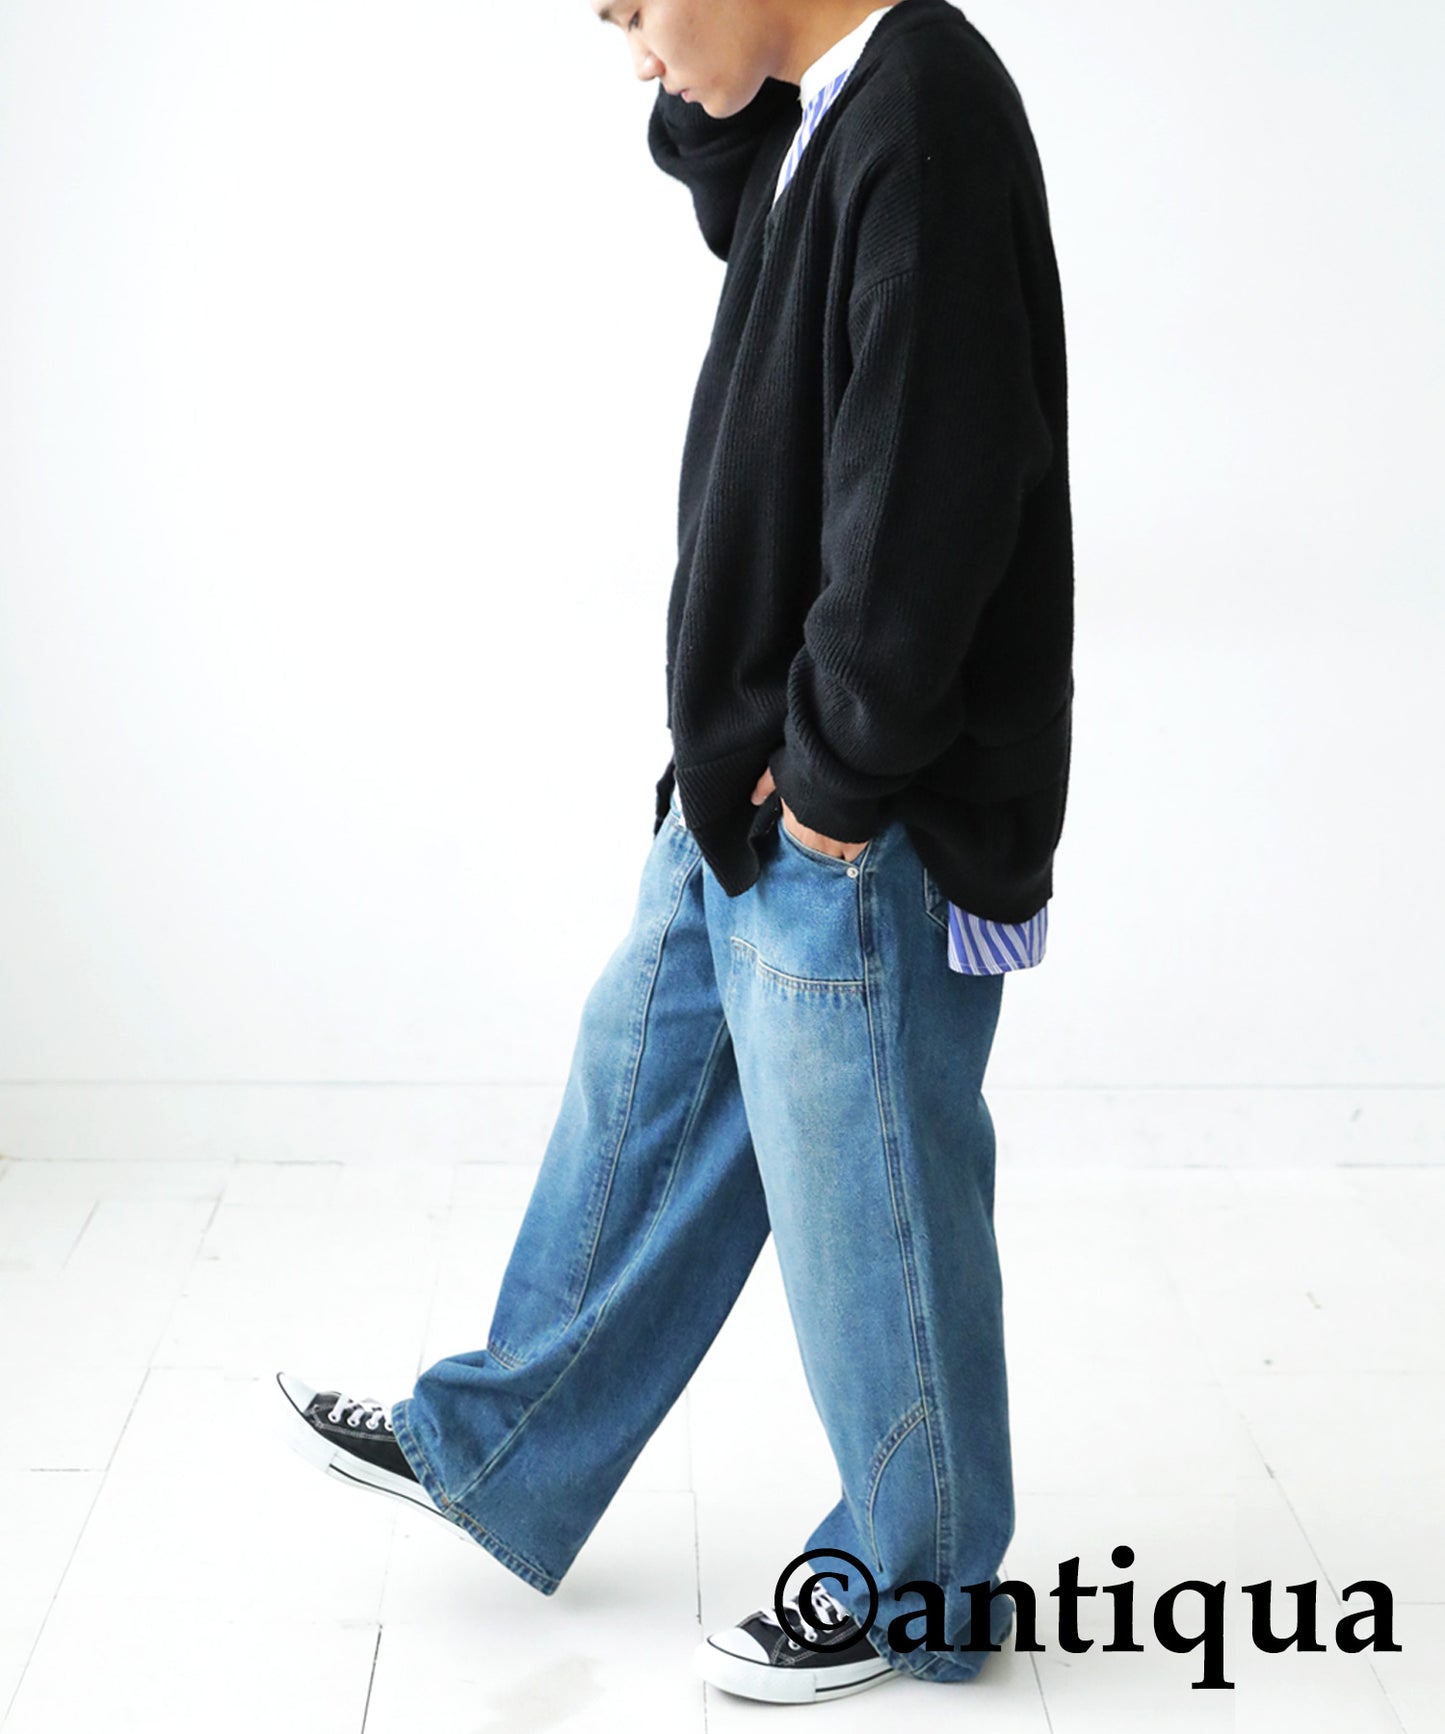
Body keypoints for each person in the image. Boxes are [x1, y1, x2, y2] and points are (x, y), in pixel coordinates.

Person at [275, 0, 1074, 1705]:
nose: (632, 54)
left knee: (870, 1201)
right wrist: (716, 88)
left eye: (631, 9)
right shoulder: (827, 106)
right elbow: (737, 203)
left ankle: (919, 1582)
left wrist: (834, 779)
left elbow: (939, 483)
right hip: (749, 771)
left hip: (856, 802)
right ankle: (495, 1442)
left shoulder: (922, 109)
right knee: (632, 1100)